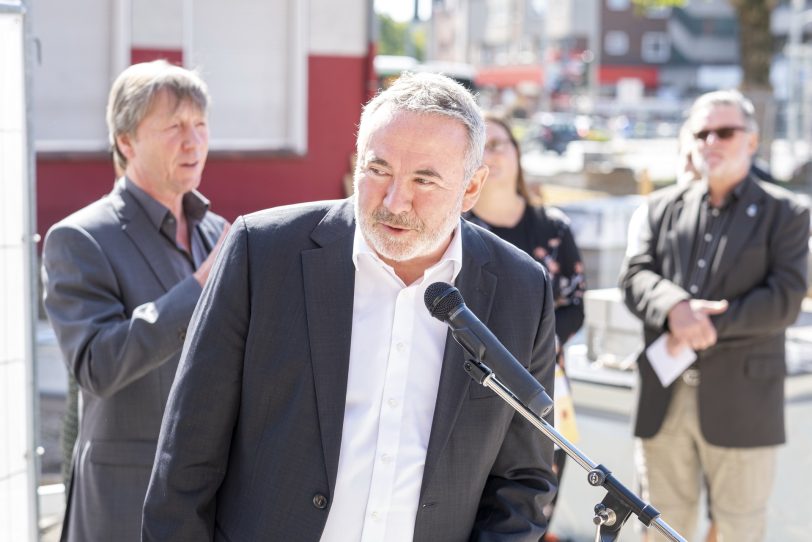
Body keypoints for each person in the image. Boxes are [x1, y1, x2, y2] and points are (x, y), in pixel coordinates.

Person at [142, 72, 558, 541]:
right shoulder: (263, 252)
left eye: (425, 179)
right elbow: (186, 455)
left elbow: (524, 481)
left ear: (471, 187)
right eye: (378, 170)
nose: (395, 200)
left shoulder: (522, 289)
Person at [41, 59, 229, 542]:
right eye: (173, 127)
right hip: (125, 504)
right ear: (126, 142)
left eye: (200, 125)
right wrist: (200, 288)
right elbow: (97, 365)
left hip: (211, 498)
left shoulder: (217, 232)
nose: (193, 141)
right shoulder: (80, 238)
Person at [620, 89, 809, 542]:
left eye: (725, 131)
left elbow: (784, 297)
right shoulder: (663, 207)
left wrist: (702, 326)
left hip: (743, 401)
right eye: (701, 132)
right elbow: (636, 277)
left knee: (740, 530)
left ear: (752, 140)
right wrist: (674, 307)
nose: (711, 141)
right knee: (663, 528)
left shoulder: (786, 214)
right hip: (663, 401)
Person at [465, 115, 585, 542]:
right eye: (481, 146)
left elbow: (573, 306)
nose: (491, 155)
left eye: (500, 144)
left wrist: (530, 341)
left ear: (517, 153)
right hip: (468, 385)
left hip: (542, 383)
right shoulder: (453, 229)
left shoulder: (552, 228)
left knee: (530, 502)